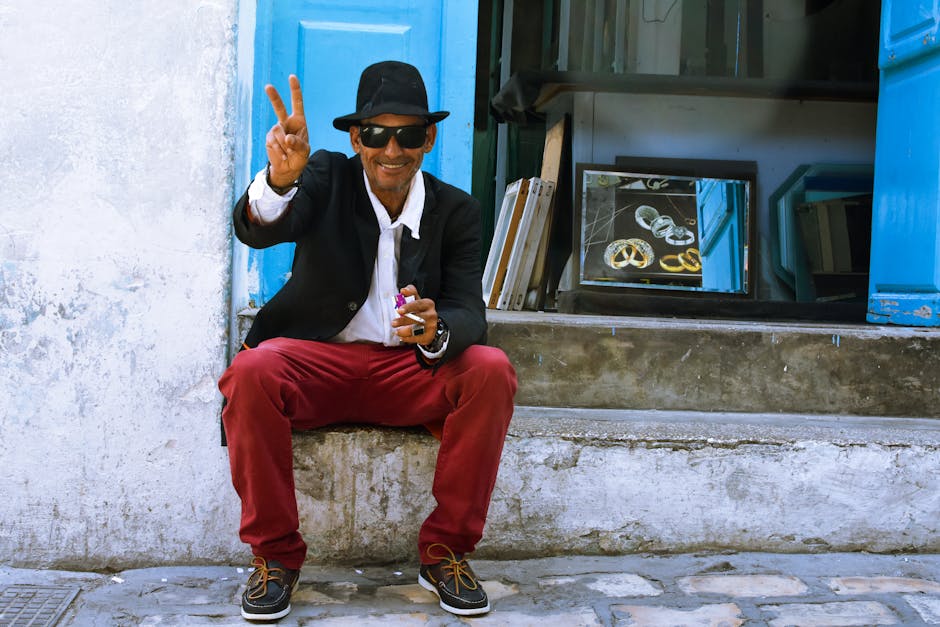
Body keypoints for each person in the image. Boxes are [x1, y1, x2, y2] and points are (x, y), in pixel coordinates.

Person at [218, 60, 517, 621]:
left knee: (491, 369)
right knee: (253, 371)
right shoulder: (327, 175)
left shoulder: (457, 210)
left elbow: (467, 311)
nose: (392, 149)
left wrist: (438, 330)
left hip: (410, 374)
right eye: (376, 133)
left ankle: (445, 552)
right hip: (321, 366)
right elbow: (262, 229)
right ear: (357, 138)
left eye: (408, 134)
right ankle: (275, 558)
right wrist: (281, 179)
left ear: (429, 137)